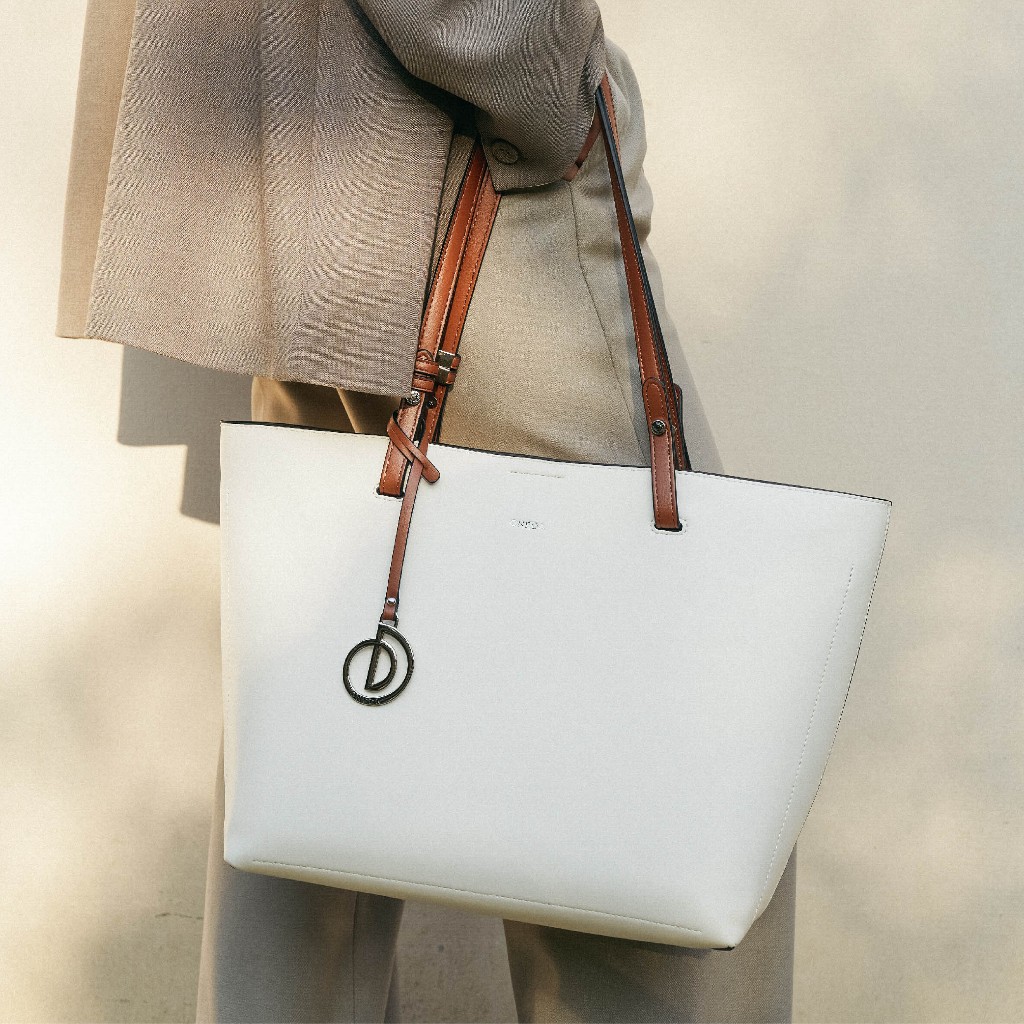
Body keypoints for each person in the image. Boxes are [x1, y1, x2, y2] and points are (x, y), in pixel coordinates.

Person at [58, 2, 796, 1021]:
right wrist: (536, 55)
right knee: (672, 769)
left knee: (320, 761)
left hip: (289, 135)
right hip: (435, 129)